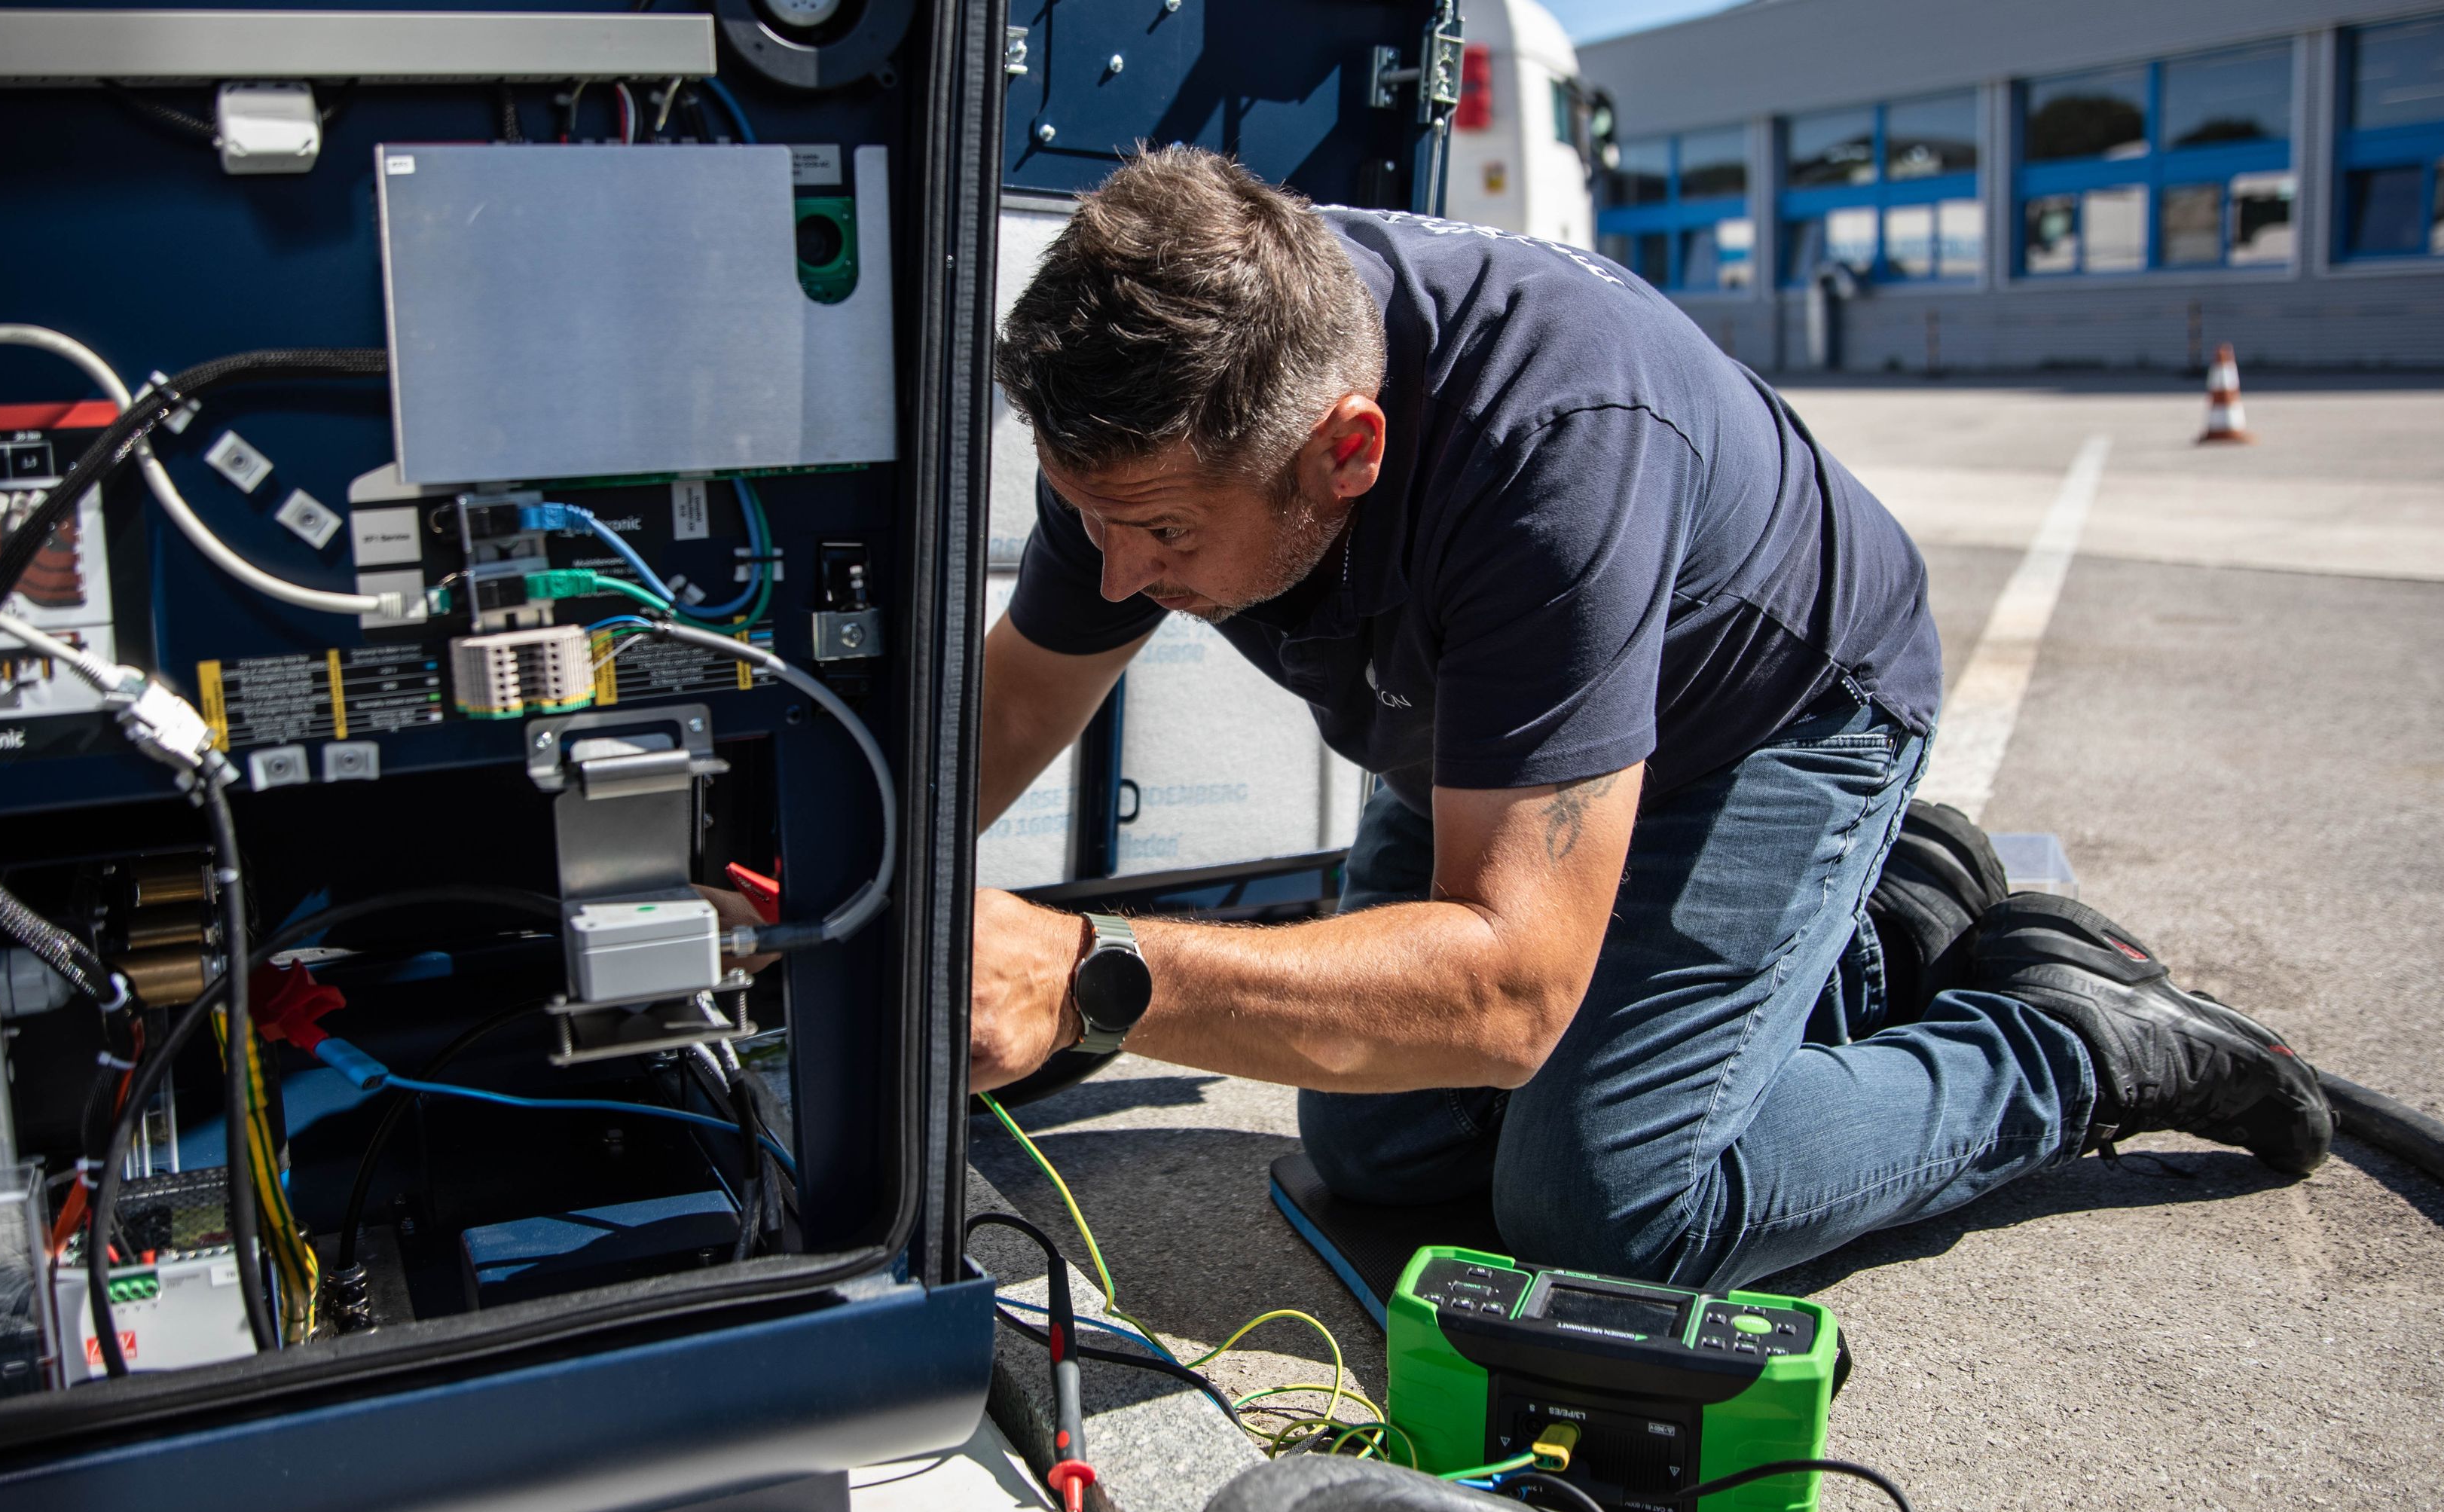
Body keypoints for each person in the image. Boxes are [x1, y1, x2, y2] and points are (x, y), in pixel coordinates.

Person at [967, 148, 2329, 1289]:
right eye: (1088, 517)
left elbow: (1506, 991)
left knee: (1610, 1209)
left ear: (1348, 451)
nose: (1118, 570)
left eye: (1161, 530)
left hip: (1765, 716)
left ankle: (2069, 1046)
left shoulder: (1550, 448)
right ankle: (1896, 926)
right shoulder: (1172, 386)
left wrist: (1089, 971)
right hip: (1491, 715)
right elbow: (1026, 692)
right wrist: (854, 884)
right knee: (1382, 1150)